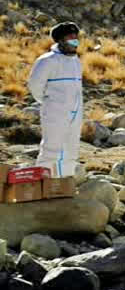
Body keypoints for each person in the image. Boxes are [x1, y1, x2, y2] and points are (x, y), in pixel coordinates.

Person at [27, 22, 84, 178]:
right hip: (55, 112)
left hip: (75, 113)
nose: (74, 41)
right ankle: (45, 185)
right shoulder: (47, 60)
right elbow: (35, 86)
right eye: (70, 38)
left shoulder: (76, 61)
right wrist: (50, 103)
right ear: (60, 40)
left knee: (71, 149)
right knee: (52, 150)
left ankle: (64, 184)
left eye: (76, 38)